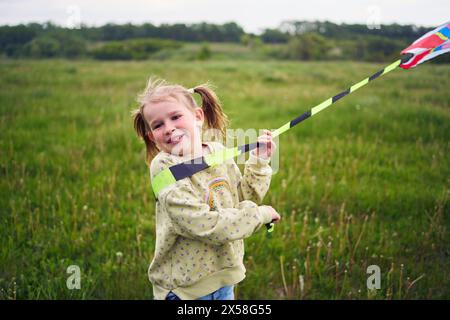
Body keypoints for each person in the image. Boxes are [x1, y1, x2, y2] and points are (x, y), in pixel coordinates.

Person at [132, 77, 281, 300]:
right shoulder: (164, 168)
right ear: (152, 136)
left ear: (198, 116)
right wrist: (260, 215)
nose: (169, 128)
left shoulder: (217, 152)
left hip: (224, 277)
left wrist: (259, 162)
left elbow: (241, 198)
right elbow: (204, 224)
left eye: (175, 117)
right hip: (184, 290)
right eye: (158, 125)